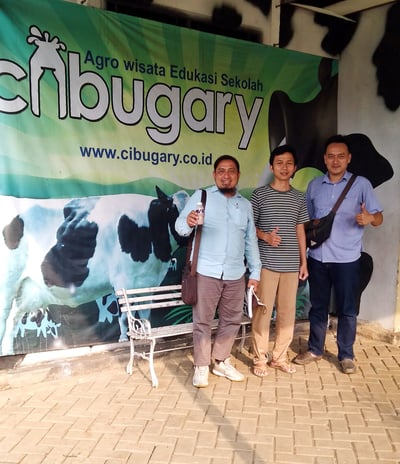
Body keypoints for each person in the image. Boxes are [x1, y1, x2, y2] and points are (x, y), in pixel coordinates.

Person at [293, 134, 383, 374]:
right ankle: (315, 349)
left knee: (347, 309)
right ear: (324, 159)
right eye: (331, 156)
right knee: (318, 306)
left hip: (348, 259)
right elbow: (307, 220)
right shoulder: (314, 185)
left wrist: (370, 218)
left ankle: (346, 354)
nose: (335, 161)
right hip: (318, 257)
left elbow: (379, 217)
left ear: (348, 158)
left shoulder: (361, 184)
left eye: (340, 156)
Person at [175, 155, 261, 388]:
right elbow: (180, 227)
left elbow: (250, 241)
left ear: (238, 175)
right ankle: (201, 366)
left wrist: (255, 272)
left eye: (231, 171)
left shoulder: (245, 205)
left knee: (232, 320)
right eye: (221, 171)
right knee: (202, 321)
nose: (226, 175)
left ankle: (221, 361)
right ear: (214, 175)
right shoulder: (201, 197)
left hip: (235, 273)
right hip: (206, 271)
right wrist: (189, 222)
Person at [250, 145, 309, 377]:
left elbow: (300, 230)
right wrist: (266, 236)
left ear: (295, 168)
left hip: (291, 266)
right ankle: (259, 359)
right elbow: (249, 228)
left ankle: (280, 358)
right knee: (263, 312)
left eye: (289, 163)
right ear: (271, 167)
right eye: (279, 163)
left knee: (287, 313)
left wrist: (303, 261)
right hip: (266, 264)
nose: (284, 167)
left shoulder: (299, 197)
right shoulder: (259, 195)